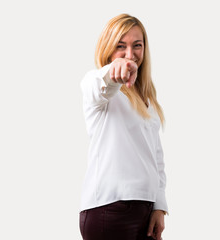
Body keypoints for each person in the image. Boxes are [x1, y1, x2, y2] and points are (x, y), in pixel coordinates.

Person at [79, 13, 168, 240]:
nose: (130, 54)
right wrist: (113, 72)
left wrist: (159, 205)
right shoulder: (101, 88)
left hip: (145, 211)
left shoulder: (148, 100)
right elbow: (98, 86)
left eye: (137, 45)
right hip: (110, 210)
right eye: (121, 46)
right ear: (109, 48)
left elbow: (156, 157)